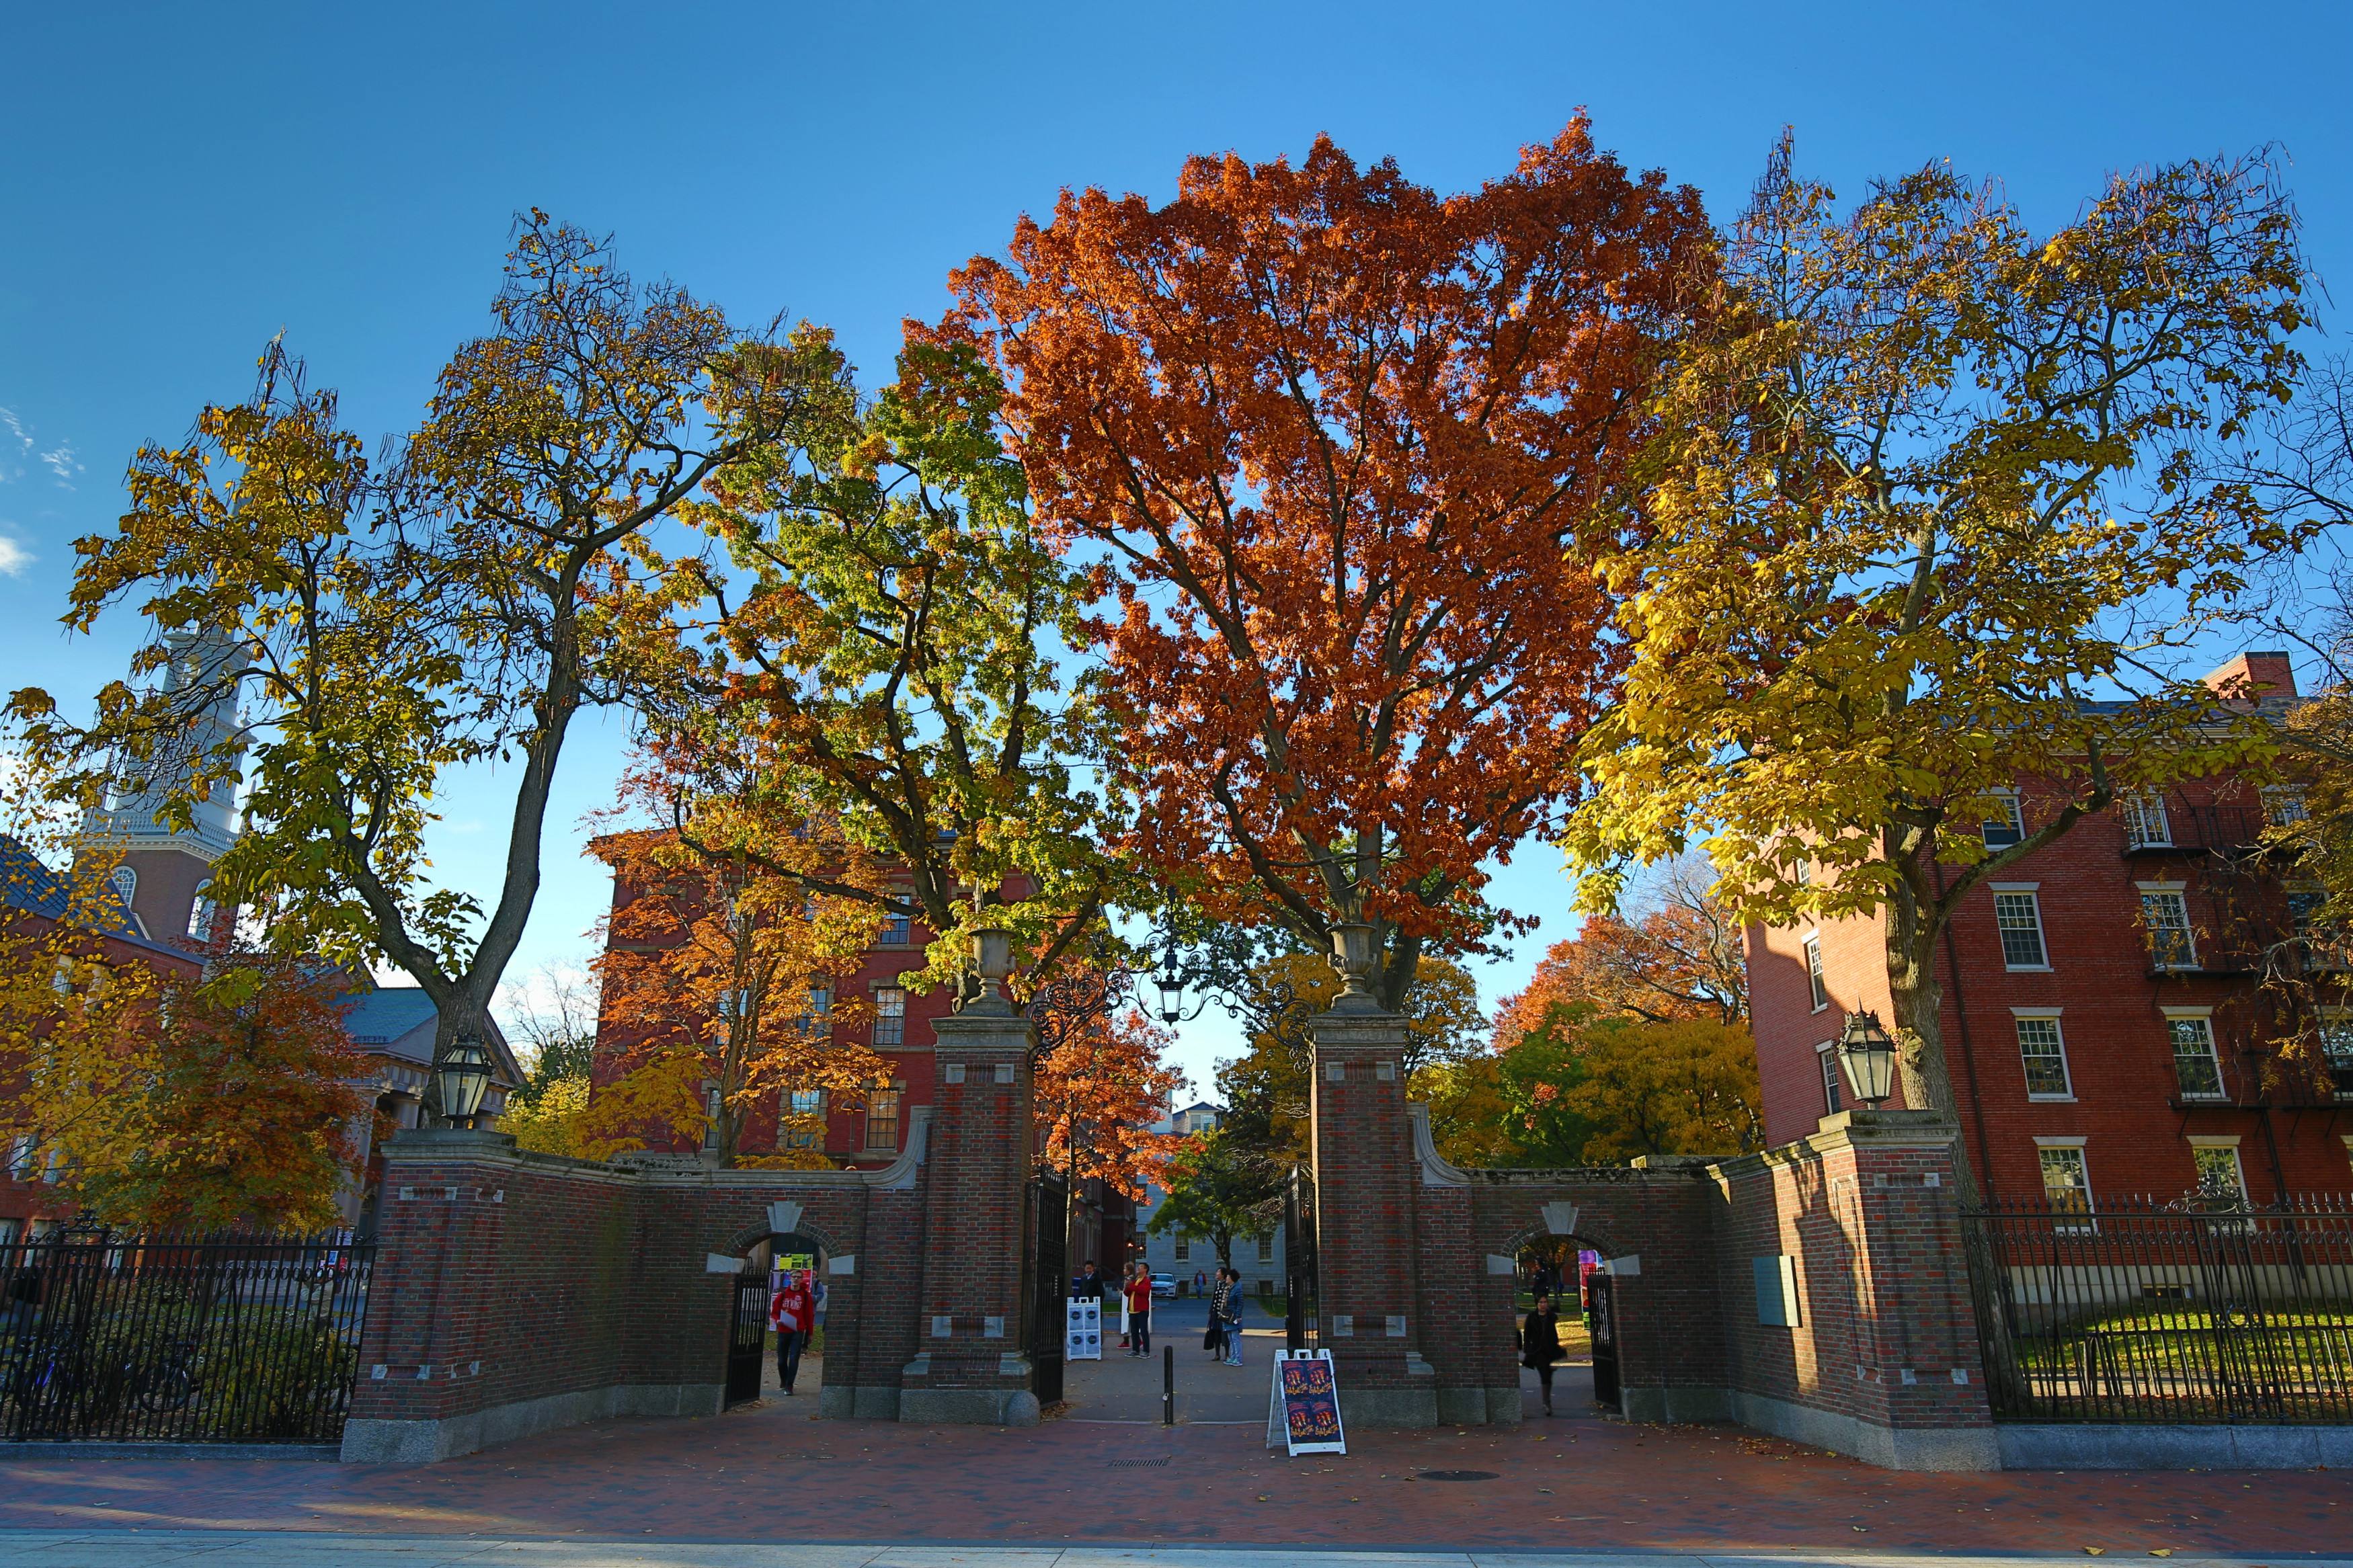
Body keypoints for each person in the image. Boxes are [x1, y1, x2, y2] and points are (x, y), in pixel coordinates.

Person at [770, 1266, 817, 1397]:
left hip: (798, 1330)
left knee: (794, 1358)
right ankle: (784, 1380)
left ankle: (790, 1385)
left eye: (798, 1277)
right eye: (793, 1277)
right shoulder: (783, 1295)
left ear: (802, 1280)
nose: (795, 1279)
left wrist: (810, 1333)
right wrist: (778, 1320)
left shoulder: (805, 1296)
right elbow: (775, 1312)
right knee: (781, 1359)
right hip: (784, 1329)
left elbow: (809, 1316)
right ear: (790, 1279)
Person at [1521, 1288, 1565, 1415]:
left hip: (1549, 1349)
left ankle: (1547, 1400)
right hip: (1537, 1350)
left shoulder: (1551, 1316)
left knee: (1547, 1375)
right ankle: (1547, 1403)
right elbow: (1527, 1333)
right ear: (1537, 1304)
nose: (1543, 1304)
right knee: (1545, 1375)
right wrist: (1527, 1348)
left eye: (1545, 1302)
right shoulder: (1532, 1317)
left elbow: (1553, 1333)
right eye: (1541, 1302)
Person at [1123, 1262, 1154, 1356]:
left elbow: (1143, 1291)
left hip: (1142, 1310)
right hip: (1133, 1310)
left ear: (1145, 1270)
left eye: (1141, 1267)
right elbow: (1127, 1293)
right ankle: (1135, 1350)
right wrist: (1127, 1286)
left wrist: (1131, 1286)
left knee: (1144, 1331)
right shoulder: (1136, 1280)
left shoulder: (1146, 1280)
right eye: (1138, 1267)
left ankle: (1146, 1351)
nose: (1138, 1268)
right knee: (1134, 1332)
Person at [1219, 1266, 1244, 1367]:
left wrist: (1238, 1316)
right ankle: (1233, 1357)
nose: (1226, 1278)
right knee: (1231, 1339)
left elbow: (1240, 1303)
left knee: (1235, 1338)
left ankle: (1238, 1359)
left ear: (1232, 1278)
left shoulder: (1237, 1289)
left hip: (1233, 1316)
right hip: (1228, 1316)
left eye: (1228, 1277)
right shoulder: (1229, 1288)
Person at [1205, 1266, 1231, 1359]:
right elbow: (1213, 1298)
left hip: (1223, 1313)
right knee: (1215, 1332)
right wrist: (1210, 1311)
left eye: (1218, 1272)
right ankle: (1217, 1354)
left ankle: (1227, 1354)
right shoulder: (1217, 1284)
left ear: (1223, 1275)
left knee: (1225, 1333)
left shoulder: (1227, 1285)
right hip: (1215, 1313)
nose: (1216, 1274)